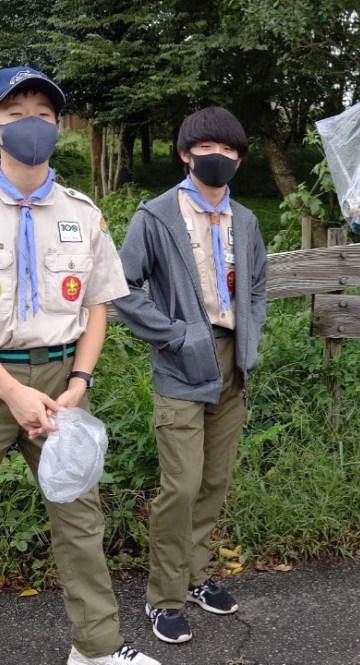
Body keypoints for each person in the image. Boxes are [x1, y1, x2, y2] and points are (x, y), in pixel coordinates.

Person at [0, 66, 159, 665]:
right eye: (15, 114)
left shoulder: (83, 212)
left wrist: (79, 381)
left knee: (79, 517)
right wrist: (11, 391)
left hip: (62, 383)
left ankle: (96, 648)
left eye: (43, 114)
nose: (31, 125)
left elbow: (97, 305)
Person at [113, 106, 268, 644]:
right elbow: (123, 286)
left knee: (214, 479)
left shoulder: (245, 220)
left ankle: (196, 575)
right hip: (181, 363)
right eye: (207, 148)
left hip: (232, 362)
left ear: (239, 160)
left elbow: (257, 285)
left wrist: (251, 336)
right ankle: (164, 597)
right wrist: (175, 335)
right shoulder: (156, 216)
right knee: (180, 486)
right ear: (185, 154)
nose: (218, 157)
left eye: (229, 150)